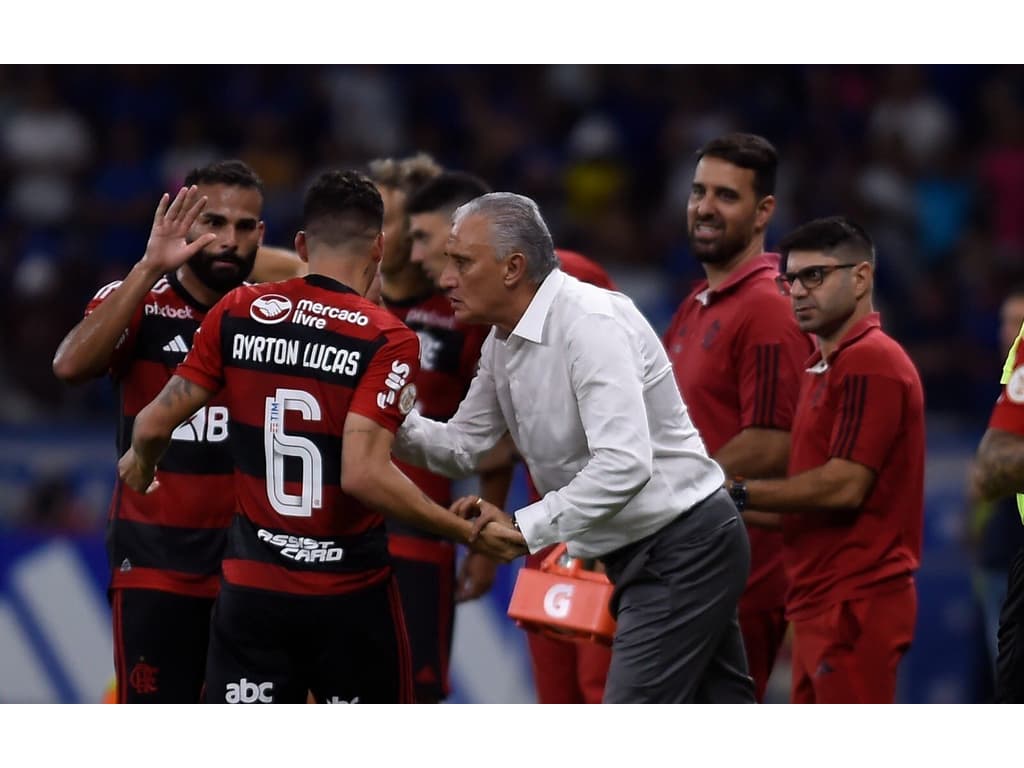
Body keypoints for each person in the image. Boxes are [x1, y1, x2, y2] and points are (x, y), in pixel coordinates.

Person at [116, 170, 520, 704]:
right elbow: (362, 472)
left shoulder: (238, 310)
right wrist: (461, 530)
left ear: (302, 244)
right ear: (379, 245)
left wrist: (143, 464)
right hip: (348, 592)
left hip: (253, 589)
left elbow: (150, 424)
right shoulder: (384, 335)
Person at [393, 191, 755, 703]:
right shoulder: (503, 338)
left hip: (682, 546)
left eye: (461, 262)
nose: (445, 278)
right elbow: (463, 445)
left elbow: (625, 465)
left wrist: (524, 528)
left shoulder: (589, 322)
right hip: (651, 546)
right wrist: (382, 417)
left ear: (514, 268)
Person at [52, 159, 267, 703]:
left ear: (261, 235)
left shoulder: (275, 315)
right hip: (154, 562)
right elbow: (70, 366)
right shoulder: (139, 298)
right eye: (214, 222)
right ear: (183, 222)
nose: (229, 240)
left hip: (251, 565)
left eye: (245, 228)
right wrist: (148, 268)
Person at [732, 216, 925, 704]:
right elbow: (804, 503)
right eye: (790, 279)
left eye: (814, 276)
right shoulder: (824, 367)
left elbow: (843, 487)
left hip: (855, 602)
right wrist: (709, 502)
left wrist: (735, 491)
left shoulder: (870, 359)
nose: (797, 291)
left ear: (861, 278)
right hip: (821, 603)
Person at [662, 133, 813, 701]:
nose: (704, 206)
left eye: (726, 196)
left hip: (737, 577)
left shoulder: (769, 307)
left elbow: (774, 442)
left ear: (763, 211)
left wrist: (668, 496)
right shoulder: (695, 304)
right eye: (699, 191)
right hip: (685, 563)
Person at [373, 162, 506, 702]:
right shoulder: (341, 300)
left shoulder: (465, 312)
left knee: (417, 694)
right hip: (336, 532)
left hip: (422, 535)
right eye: (373, 218)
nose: (385, 234)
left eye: (399, 221)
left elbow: (498, 435)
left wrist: (482, 549)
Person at [967, 288, 1024, 688]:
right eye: (1007, 321)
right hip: (1003, 550)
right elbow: (985, 473)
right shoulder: (1008, 376)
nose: (1013, 330)